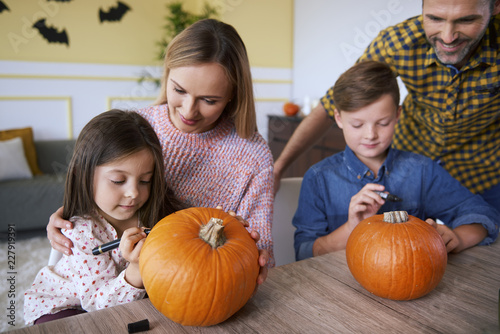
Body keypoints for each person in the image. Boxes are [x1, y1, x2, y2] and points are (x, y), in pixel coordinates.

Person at [46, 19, 275, 271]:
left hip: (197, 277)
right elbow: (101, 196)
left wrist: (255, 256)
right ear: (167, 73)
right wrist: (71, 215)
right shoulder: (138, 127)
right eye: (179, 90)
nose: (189, 110)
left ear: (233, 94)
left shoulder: (253, 156)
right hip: (114, 279)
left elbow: (259, 246)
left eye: (209, 100)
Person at [274, 0, 500, 209]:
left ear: (495, 7)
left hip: (482, 174)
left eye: (466, 20)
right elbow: (335, 100)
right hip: (407, 171)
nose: (448, 37)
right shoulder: (399, 42)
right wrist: (279, 168)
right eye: (435, 19)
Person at [293, 61, 499, 261]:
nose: (370, 135)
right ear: (338, 119)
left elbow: (483, 214)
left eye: (383, 123)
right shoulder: (318, 178)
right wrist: (350, 227)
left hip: (407, 279)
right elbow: (304, 252)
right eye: (357, 125)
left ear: (397, 115)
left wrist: (458, 238)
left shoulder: (421, 170)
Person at [24, 110, 180, 324]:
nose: (133, 192)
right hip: (61, 308)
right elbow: (98, 306)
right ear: (83, 175)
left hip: (119, 303)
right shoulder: (82, 232)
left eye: (145, 181)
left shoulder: (154, 213)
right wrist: (136, 268)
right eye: (118, 180)